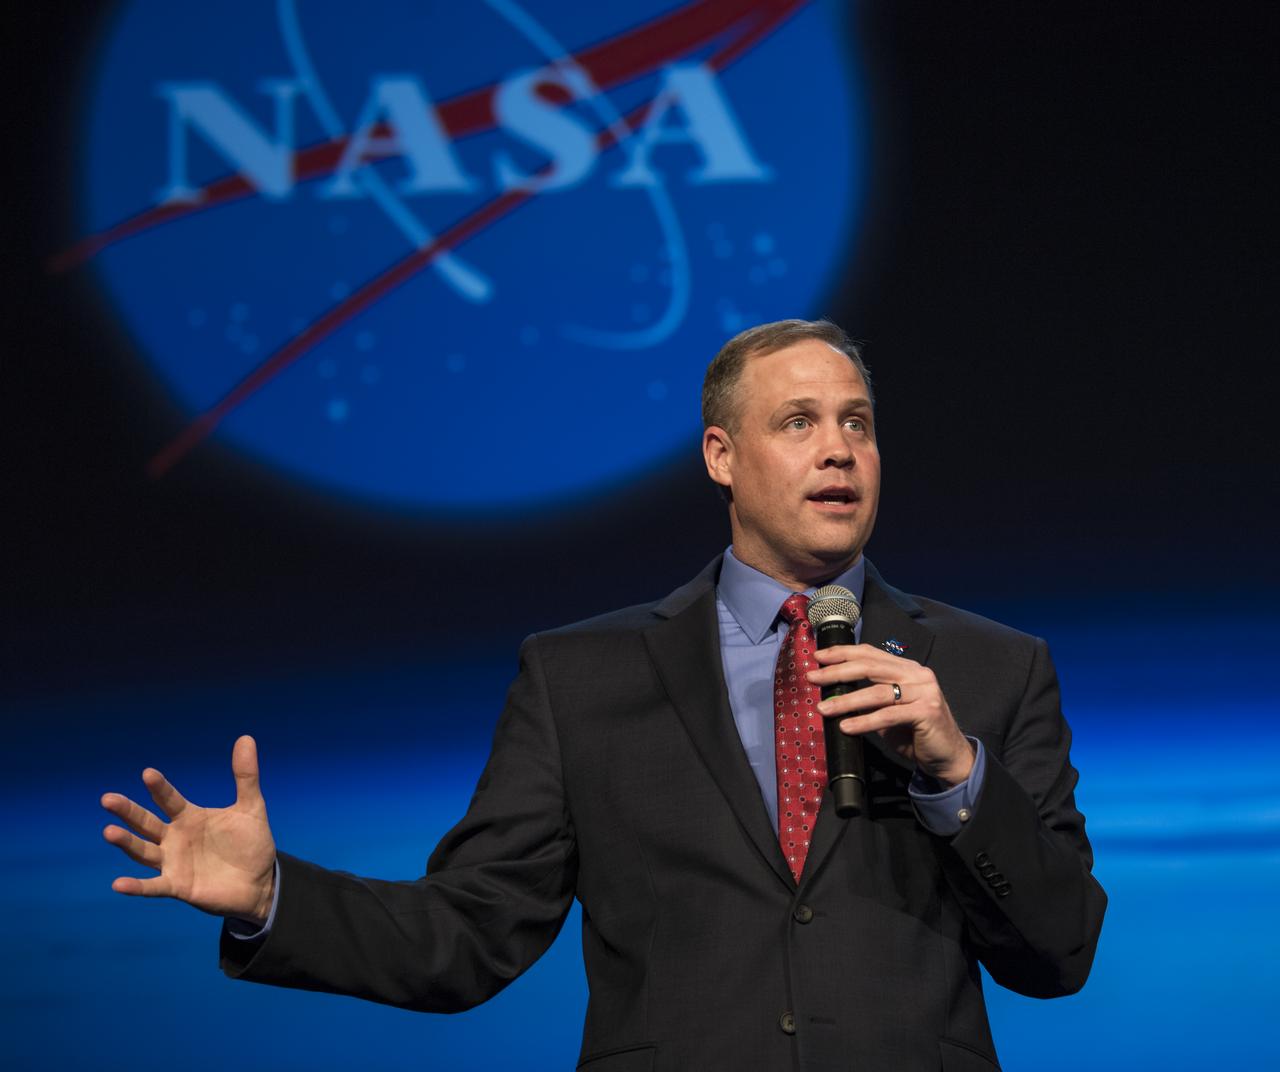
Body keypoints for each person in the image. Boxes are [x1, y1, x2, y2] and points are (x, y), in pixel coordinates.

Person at [102, 319, 1106, 1071]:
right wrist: (278, 898)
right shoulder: (581, 677)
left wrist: (954, 775)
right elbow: (470, 931)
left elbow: (1057, 951)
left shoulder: (988, 670)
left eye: (856, 423)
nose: (836, 449)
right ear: (721, 455)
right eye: (797, 422)